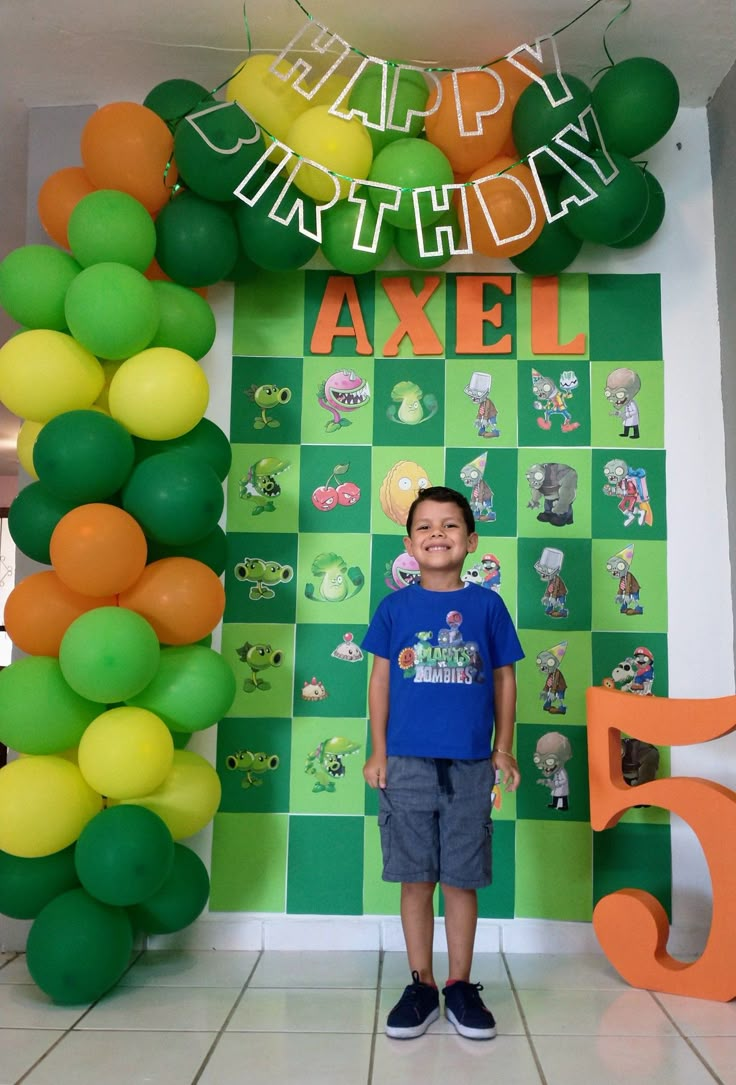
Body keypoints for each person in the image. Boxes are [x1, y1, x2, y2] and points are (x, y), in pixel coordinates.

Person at [362, 485, 523, 1041]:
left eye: (450, 525)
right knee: (415, 878)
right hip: (404, 762)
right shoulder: (394, 608)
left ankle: (459, 984)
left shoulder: (488, 606)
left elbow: (504, 677)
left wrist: (503, 747)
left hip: (473, 764)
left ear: (471, 540)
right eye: (426, 526)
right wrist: (378, 751)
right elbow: (380, 680)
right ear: (409, 543)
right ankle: (421, 983)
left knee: (461, 879)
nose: (438, 534)